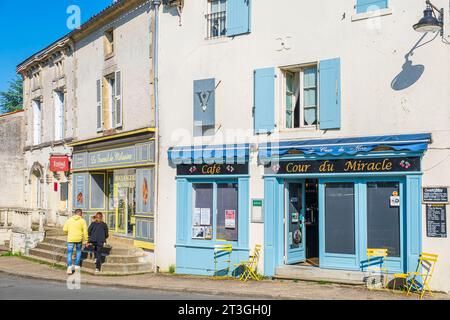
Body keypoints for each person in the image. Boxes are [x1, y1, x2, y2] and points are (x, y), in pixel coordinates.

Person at [63, 209, 88, 275]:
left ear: (74, 213)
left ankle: (69, 268)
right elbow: (85, 231)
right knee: (78, 252)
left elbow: (64, 229)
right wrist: (86, 239)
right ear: (81, 214)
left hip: (70, 239)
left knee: (69, 253)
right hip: (79, 239)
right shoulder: (83, 221)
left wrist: (68, 233)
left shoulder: (69, 220)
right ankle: (76, 266)